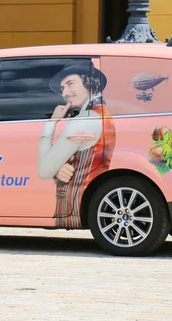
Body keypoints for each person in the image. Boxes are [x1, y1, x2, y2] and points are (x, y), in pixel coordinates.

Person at [37, 60, 116, 228]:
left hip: (75, 201)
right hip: (79, 200)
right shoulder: (100, 113)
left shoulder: (86, 119)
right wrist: (58, 170)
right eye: (62, 88)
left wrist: (51, 123)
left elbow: (44, 169)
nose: (65, 92)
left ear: (89, 82)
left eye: (70, 84)